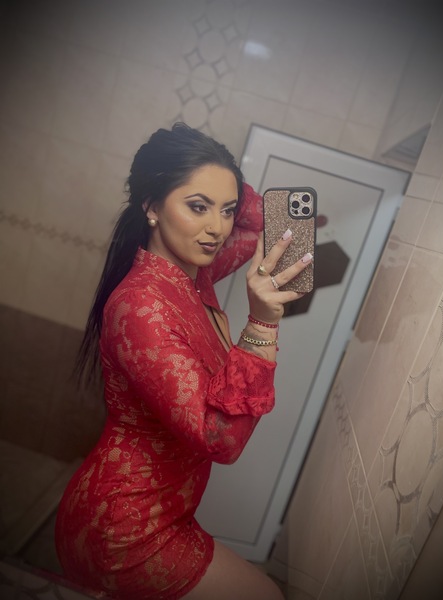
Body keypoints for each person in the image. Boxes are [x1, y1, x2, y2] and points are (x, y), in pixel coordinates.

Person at [55, 123, 313, 600]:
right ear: (151, 206)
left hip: (164, 514)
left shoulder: (195, 277)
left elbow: (259, 224)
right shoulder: (140, 306)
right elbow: (221, 439)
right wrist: (262, 322)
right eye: (197, 206)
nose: (218, 228)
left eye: (226, 209)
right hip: (126, 526)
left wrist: (219, 170)